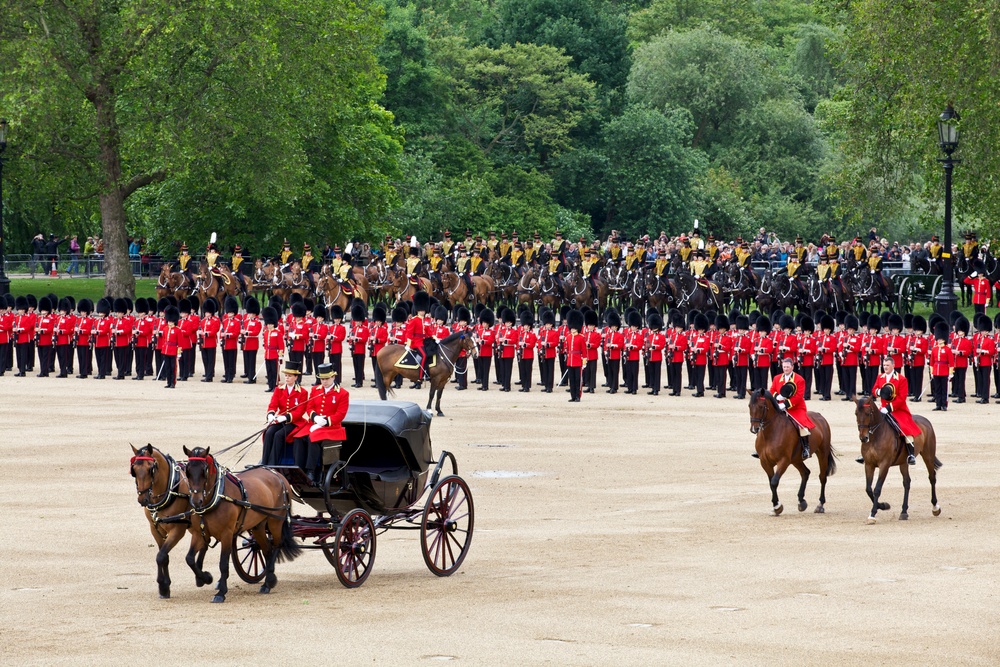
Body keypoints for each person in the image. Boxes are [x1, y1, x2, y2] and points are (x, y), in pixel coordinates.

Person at [294, 363, 350, 485]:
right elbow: (309, 407)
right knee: (298, 438)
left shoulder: (342, 393)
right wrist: (315, 418)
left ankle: (311, 471)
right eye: (322, 379)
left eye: (326, 379)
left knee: (312, 438)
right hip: (315, 423)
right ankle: (299, 469)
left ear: (333, 377)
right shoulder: (315, 390)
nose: (324, 382)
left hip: (332, 427)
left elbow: (340, 414)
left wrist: (325, 422)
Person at [760, 357, 815, 460]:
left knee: (801, 425)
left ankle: (806, 448)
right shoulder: (777, 378)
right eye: (784, 367)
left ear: (792, 367)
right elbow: (772, 390)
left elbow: (799, 396)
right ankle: (762, 446)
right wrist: (777, 397)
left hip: (796, 407)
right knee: (765, 420)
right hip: (779, 405)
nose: (785, 369)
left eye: (787, 367)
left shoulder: (799, 379)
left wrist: (785, 404)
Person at [871, 356, 921, 465]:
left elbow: (902, 398)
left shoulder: (901, 379)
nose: (885, 367)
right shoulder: (880, 377)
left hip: (898, 409)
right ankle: (869, 451)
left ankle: (911, 454)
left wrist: (889, 408)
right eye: (884, 365)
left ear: (893, 365)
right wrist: (879, 392)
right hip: (883, 408)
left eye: (887, 365)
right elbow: (874, 390)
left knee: (904, 428)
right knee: (872, 425)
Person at [262, 360, 308, 466]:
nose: (287, 378)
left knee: (279, 435)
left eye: (290, 376)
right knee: (268, 433)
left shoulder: (303, 392)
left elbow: (300, 411)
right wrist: (270, 415)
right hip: (280, 419)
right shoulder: (279, 390)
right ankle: (264, 462)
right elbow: (273, 405)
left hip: (294, 422)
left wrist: (286, 417)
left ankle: (273, 463)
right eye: (286, 375)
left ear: (296, 377)